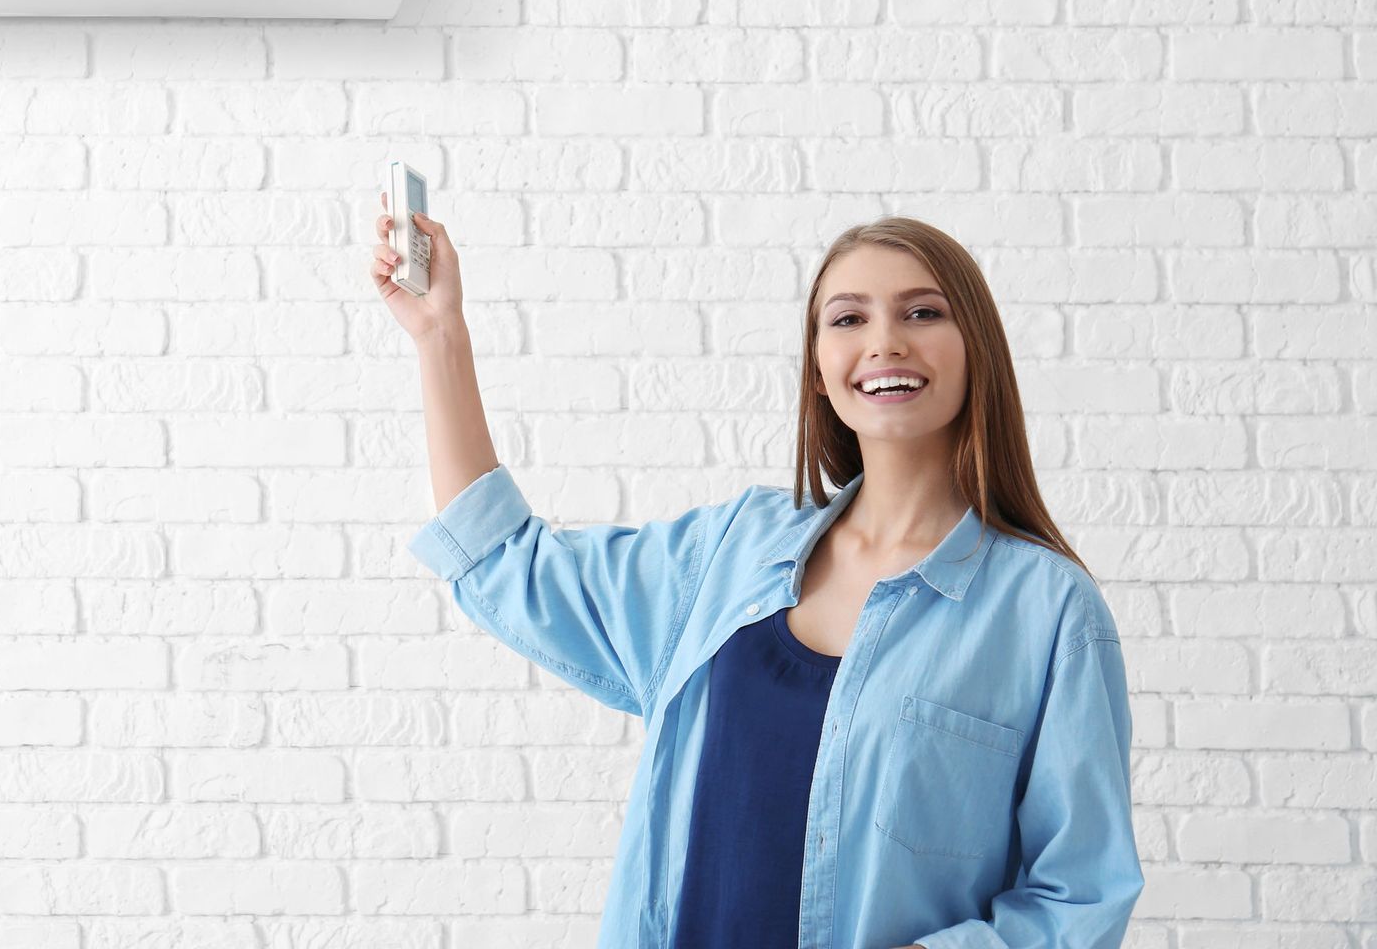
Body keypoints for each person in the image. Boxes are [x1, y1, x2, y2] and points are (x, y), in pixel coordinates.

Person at [369, 203, 1144, 949]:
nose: (885, 342)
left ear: (977, 347)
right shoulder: (733, 549)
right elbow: (508, 561)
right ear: (817, 370)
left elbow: (1081, 893)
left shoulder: (1047, 612)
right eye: (848, 319)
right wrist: (441, 335)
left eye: (922, 313)